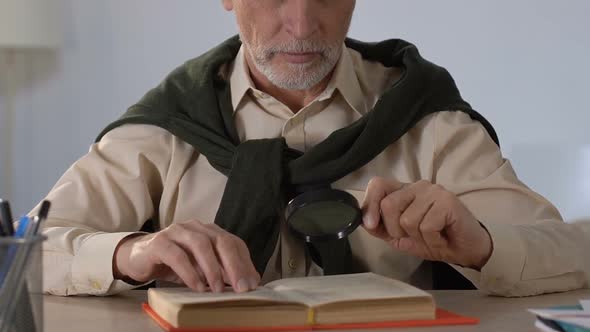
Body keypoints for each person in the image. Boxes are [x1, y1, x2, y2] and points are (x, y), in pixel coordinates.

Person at [36, 0, 589, 297]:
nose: (300, 24)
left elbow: (575, 250)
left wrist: (482, 245)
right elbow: (24, 254)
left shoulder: (427, 118)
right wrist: (131, 254)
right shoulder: (167, 125)